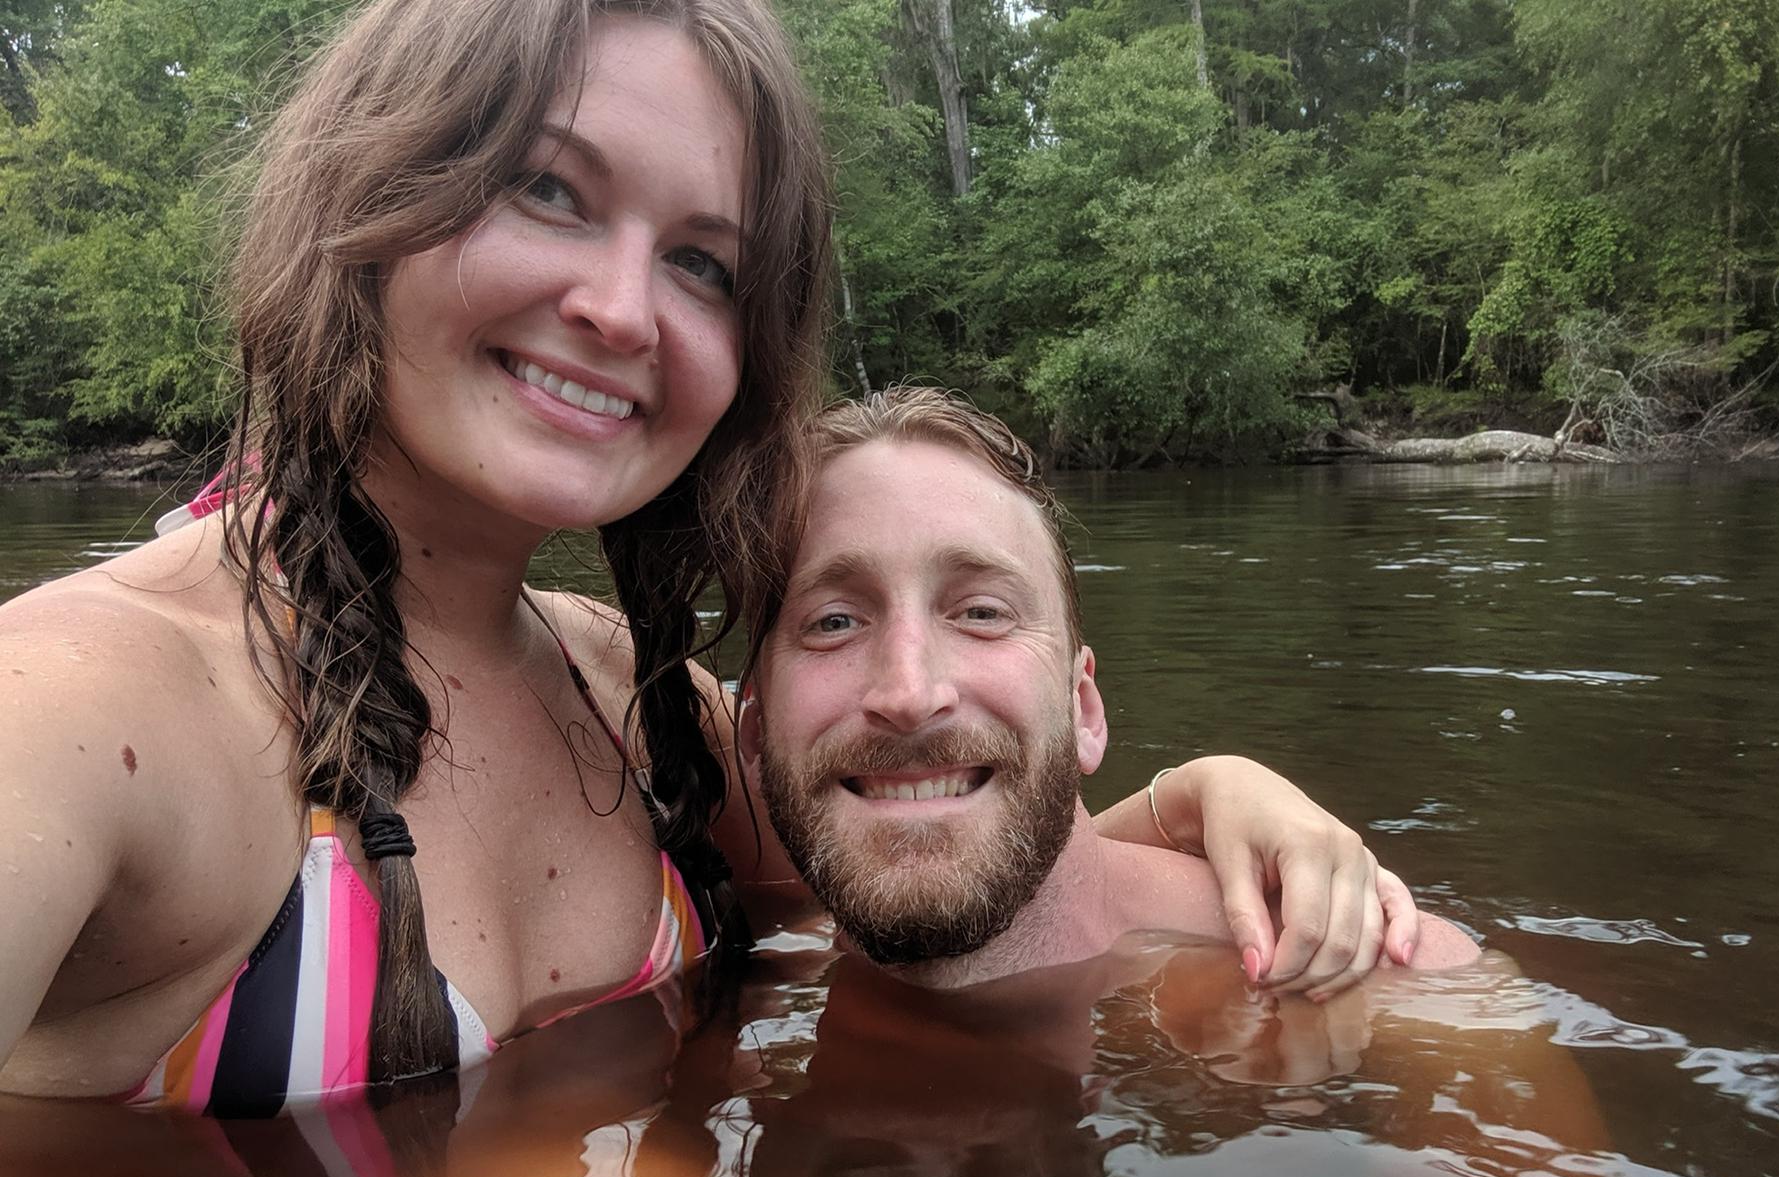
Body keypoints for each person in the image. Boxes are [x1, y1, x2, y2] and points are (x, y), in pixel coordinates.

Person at [0, 0, 1412, 1116]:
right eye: (548, 189)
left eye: (704, 265)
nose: (621, 309)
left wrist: (1207, 795)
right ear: (367, 192)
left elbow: (956, 855)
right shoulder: (85, 711)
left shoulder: (638, 700)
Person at [738, 386, 1481, 989]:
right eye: (834, 622)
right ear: (753, 733)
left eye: (982, 613)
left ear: (1084, 710)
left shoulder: (1388, 981)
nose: (908, 691)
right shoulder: (749, 973)